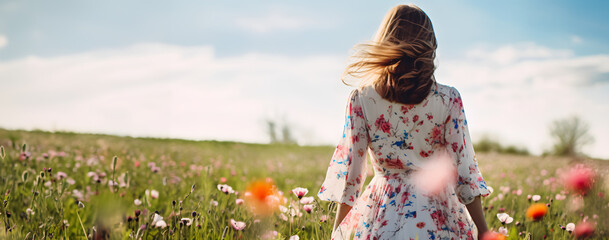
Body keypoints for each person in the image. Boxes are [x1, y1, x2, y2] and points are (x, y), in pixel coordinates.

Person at [317, 4, 491, 240]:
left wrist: (336, 234)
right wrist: (483, 231)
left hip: (382, 213)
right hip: (439, 214)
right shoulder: (448, 99)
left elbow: (351, 176)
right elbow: (465, 172)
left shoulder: (362, 99)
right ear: (430, 44)